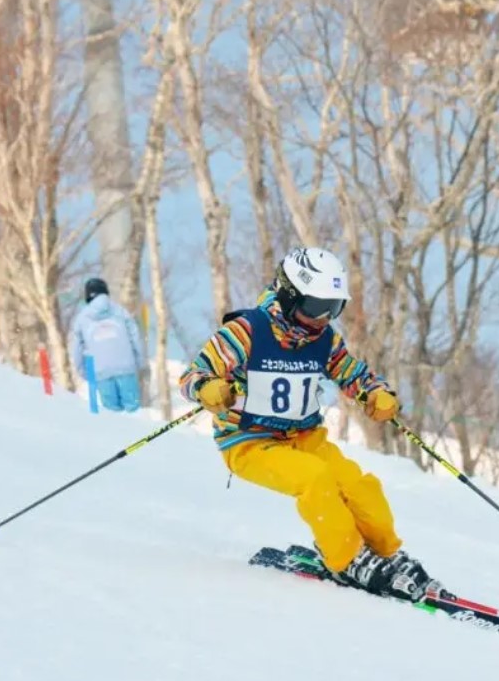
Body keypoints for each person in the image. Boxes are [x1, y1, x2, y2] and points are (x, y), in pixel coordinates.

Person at [178, 247, 438, 602]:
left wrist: (375, 394)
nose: (323, 318)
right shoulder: (246, 331)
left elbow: (351, 372)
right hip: (250, 441)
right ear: (289, 295)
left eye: (334, 308)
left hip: (304, 435)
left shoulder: (324, 339)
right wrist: (207, 388)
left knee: (358, 485)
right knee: (315, 479)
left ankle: (385, 553)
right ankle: (346, 558)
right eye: (317, 307)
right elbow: (193, 374)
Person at [69, 277, 145, 413]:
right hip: (126, 367)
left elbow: (76, 349)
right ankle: (139, 432)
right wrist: (139, 361)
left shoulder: (81, 319)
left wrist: (84, 372)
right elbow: (136, 337)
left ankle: (118, 434)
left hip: (101, 372)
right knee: (133, 411)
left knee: (112, 414)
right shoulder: (121, 312)